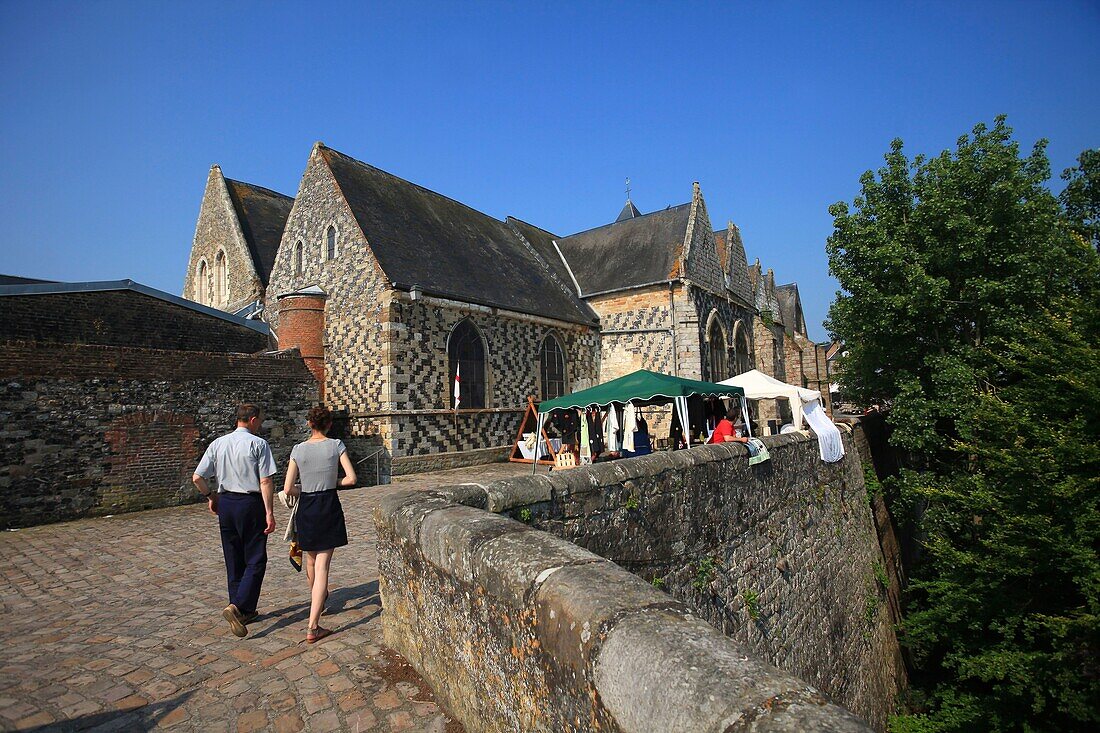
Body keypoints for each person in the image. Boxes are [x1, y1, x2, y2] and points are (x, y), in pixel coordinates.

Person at [193, 404, 277, 638]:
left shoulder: (218, 443)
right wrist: (269, 511)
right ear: (252, 420)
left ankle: (243, 610)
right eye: (259, 420)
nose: (260, 423)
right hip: (250, 504)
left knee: (233, 556)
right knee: (256, 558)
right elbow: (266, 481)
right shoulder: (258, 444)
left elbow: (197, 477)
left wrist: (211, 496)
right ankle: (237, 606)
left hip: (227, 503)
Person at [283, 406, 357, 643]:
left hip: (306, 506)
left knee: (312, 560)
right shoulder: (336, 445)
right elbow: (351, 478)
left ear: (309, 424)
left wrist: (305, 489)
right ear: (329, 424)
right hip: (327, 504)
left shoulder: (298, 450)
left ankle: (318, 602)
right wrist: (332, 481)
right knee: (323, 565)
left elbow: (287, 488)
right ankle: (313, 625)